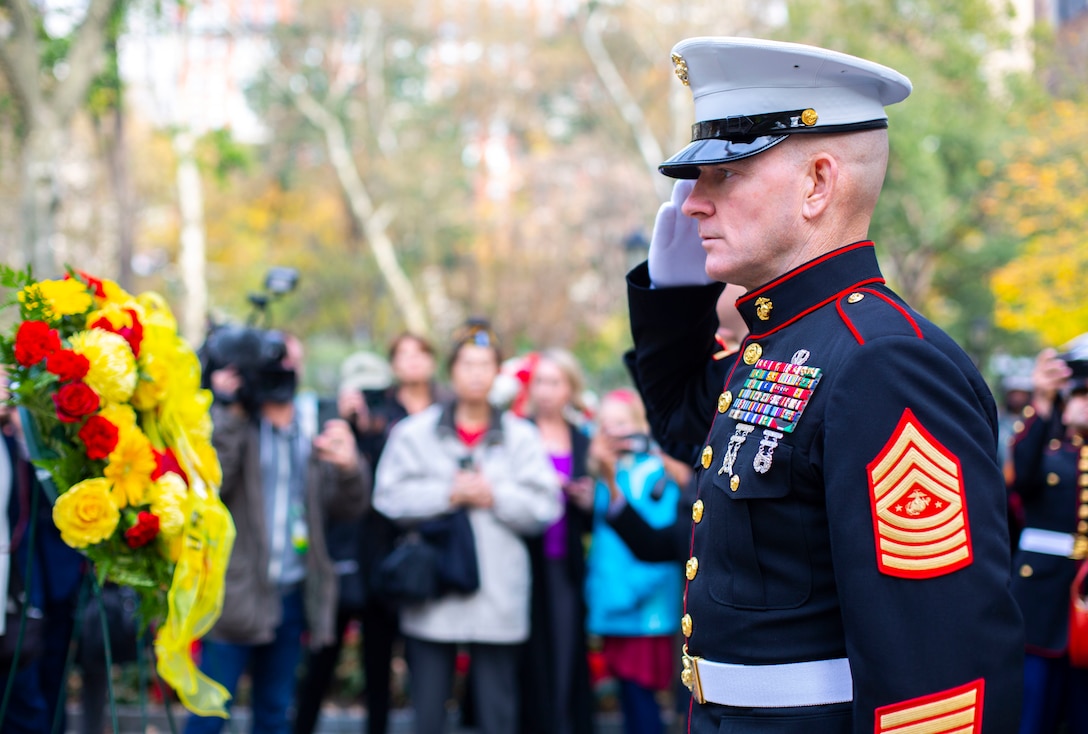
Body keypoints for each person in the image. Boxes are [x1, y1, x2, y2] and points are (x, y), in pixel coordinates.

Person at [626, 37, 1023, 731]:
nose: (692, 204)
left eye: (725, 175)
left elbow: (936, 662)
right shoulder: (783, 346)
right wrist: (672, 293)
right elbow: (683, 420)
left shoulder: (884, 362)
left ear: (818, 182)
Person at [372, 320, 562, 734]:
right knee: (427, 713)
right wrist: (448, 493)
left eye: (485, 364)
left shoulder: (521, 437)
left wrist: (495, 496)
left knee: (499, 713)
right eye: (466, 364)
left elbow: (546, 505)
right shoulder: (413, 433)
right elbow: (387, 497)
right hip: (433, 593)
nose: (476, 373)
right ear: (451, 370)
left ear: (497, 373)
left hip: (498, 594)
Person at [184, 334, 370, 734]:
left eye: (294, 362)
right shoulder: (238, 422)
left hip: (291, 593)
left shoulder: (314, 426)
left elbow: (347, 508)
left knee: (274, 710)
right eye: (277, 362)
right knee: (208, 711)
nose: (286, 371)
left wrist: (350, 466)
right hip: (234, 593)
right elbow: (211, 484)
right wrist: (230, 409)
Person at [294, 334, 442, 734]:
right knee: (320, 667)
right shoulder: (338, 423)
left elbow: (390, 488)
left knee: (379, 671)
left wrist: (375, 430)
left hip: (383, 565)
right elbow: (332, 488)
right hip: (343, 559)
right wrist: (347, 425)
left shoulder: (401, 423)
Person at [584, 389, 683, 734]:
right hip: (613, 608)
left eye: (621, 423)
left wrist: (624, 597)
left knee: (643, 699)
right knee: (628, 697)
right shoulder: (605, 475)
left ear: (640, 425)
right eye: (605, 425)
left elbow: (662, 547)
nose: (614, 432)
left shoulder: (658, 473)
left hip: (643, 610)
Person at [1007, 341, 1088, 734]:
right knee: (1032, 716)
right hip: (1042, 602)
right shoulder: (1047, 452)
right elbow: (1020, 476)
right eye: (1081, 395)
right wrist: (1041, 399)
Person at [520, 348, 596, 734]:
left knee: (566, 653)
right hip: (522, 563)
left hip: (565, 562)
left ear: (570, 388)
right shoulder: (518, 431)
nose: (546, 391)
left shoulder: (583, 440)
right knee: (527, 659)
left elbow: (596, 515)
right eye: (540, 382)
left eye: (555, 382)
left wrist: (586, 500)